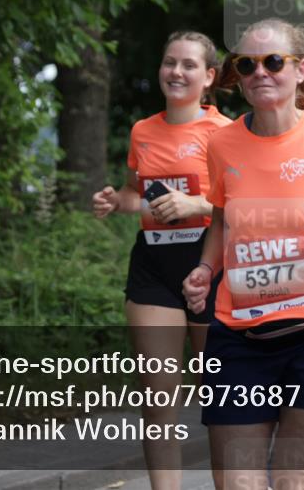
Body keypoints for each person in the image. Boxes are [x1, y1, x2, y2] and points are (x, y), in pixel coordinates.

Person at [182, 18, 304, 490]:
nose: (260, 73)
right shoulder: (222, 143)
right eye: (246, 65)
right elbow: (223, 219)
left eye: (274, 62)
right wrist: (206, 269)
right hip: (240, 340)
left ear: (299, 70)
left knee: (294, 482)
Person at [91, 31, 231, 490]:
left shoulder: (226, 133)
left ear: (209, 77)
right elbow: (139, 196)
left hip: (212, 267)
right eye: (170, 62)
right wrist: (118, 201)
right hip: (154, 266)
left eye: (189, 65)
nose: (176, 72)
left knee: (222, 399)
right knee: (157, 399)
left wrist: (197, 206)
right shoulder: (142, 131)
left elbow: (245, 207)